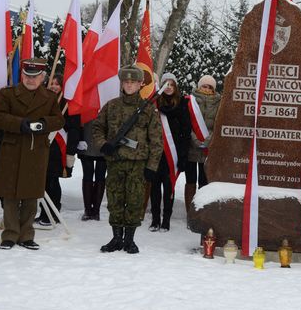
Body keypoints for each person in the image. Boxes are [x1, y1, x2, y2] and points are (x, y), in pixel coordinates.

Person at [0, 58, 65, 250]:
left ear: (42, 77)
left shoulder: (49, 97)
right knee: (10, 194)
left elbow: (59, 120)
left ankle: (26, 235)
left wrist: (44, 123)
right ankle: (9, 234)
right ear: (22, 75)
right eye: (27, 76)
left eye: (35, 76)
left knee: (31, 194)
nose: (31, 80)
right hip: (12, 149)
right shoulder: (7, 94)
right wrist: (19, 123)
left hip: (36, 150)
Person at [93, 65, 163, 254]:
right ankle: (116, 238)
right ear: (122, 83)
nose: (129, 85)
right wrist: (103, 144)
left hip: (137, 164)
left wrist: (152, 167)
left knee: (134, 201)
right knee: (115, 199)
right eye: (126, 82)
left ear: (141, 84)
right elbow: (97, 128)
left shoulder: (148, 110)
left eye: (133, 82)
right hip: (115, 162)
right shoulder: (111, 106)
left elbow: (157, 141)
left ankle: (130, 239)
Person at [147, 73, 191, 232]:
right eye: (166, 84)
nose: (169, 88)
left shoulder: (182, 104)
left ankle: (166, 220)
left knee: (169, 186)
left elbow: (186, 132)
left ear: (176, 87)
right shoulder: (155, 104)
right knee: (154, 186)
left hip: (173, 154)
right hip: (156, 152)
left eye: (172, 85)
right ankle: (155, 220)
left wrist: (183, 155)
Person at [35, 73, 81, 226]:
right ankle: (43, 212)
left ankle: (53, 213)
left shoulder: (68, 104)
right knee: (42, 181)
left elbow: (74, 129)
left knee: (52, 180)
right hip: (43, 146)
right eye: (51, 83)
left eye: (57, 84)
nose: (53, 86)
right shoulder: (43, 100)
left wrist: (70, 152)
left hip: (58, 148)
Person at [186, 75, 221, 212]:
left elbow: (218, 124)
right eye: (204, 86)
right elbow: (186, 122)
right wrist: (194, 139)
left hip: (208, 148)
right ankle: (190, 210)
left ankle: (201, 212)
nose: (206, 89)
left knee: (204, 180)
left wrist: (208, 140)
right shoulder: (190, 101)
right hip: (191, 146)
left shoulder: (219, 102)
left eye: (209, 87)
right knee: (190, 180)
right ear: (199, 86)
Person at [78, 121, 106, 221]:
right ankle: (91, 211)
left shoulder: (109, 105)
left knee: (95, 176)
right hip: (89, 140)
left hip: (98, 141)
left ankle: (92, 211)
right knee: (92, 176)